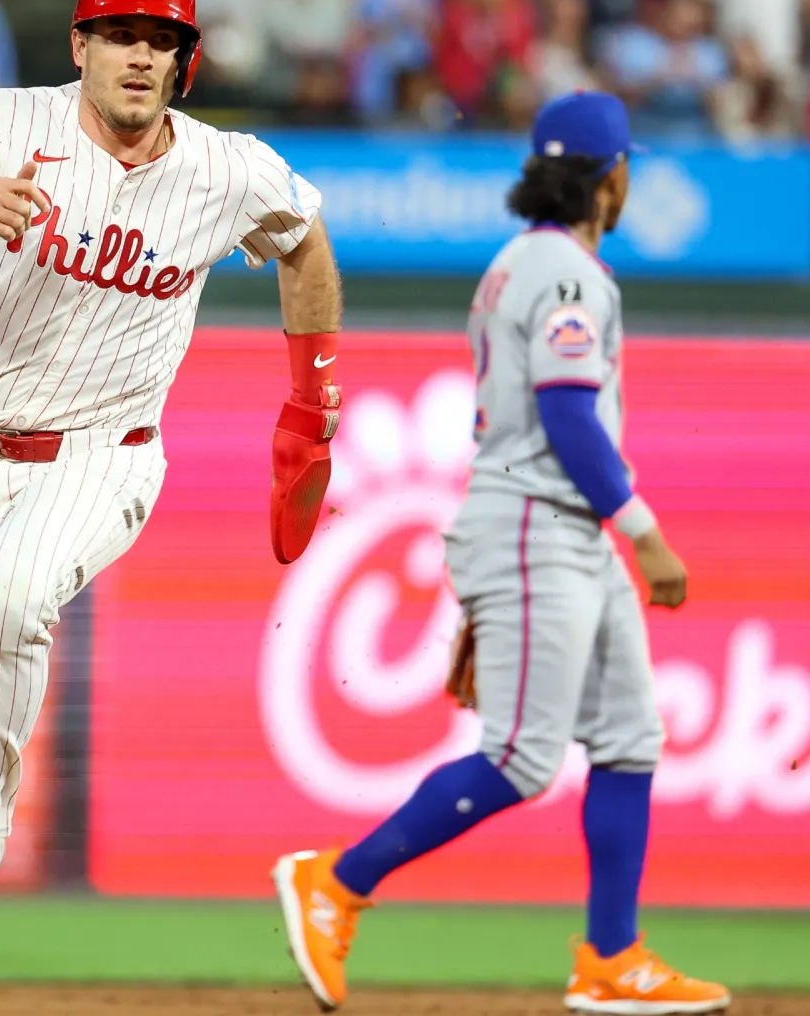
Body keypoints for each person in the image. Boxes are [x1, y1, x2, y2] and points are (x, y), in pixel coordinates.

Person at [0, 0, 345, 1002]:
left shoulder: (228, 171)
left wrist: (312, 400)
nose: (139, 55)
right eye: (120, 34)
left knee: (12, 598)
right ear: (79, 46)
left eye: (161, 40)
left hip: (103, 455)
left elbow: (305, 241)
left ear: (185, 63)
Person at [270, 91, 731, 1016]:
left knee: (630, 740)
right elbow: (566, 416)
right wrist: (647, 533)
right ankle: (339, 881)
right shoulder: (565, 273)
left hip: (558, 530)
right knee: (522, 757)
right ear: (611, 176)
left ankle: (612, 956)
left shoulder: (531, 261)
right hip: (534, 523)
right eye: (625, 165)